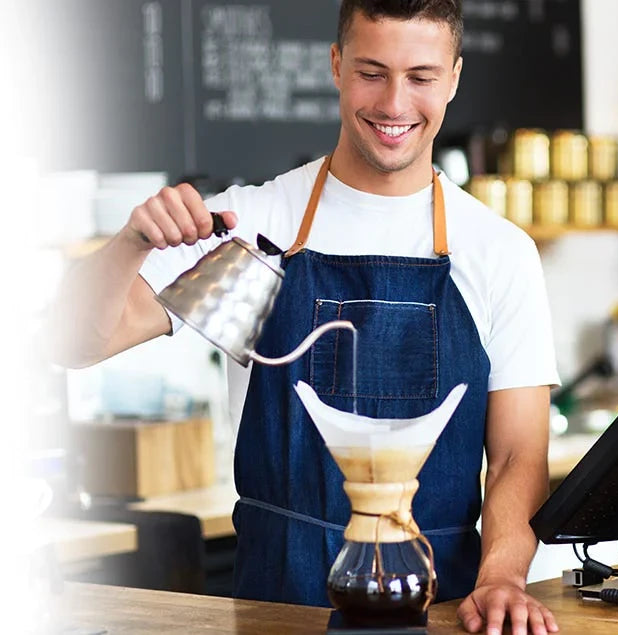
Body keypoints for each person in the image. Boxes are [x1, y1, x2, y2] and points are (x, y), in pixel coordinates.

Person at [54, 1, 561, 633]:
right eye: (372, 72)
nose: (395, 103)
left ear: (454, 78)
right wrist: (130, 242)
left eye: (421, 77)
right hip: (272, 606)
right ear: (336, 65)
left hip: (440, 608)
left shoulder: (498, 251)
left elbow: (518, 455)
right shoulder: (253, 227)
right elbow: (73, 342)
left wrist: (502, 579)